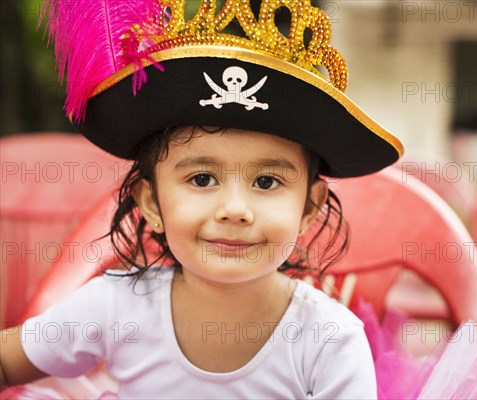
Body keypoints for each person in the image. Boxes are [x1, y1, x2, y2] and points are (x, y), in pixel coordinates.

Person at [0, 0, 405, 398]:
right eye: (202, 178)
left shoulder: (330, 341)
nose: (234, 210)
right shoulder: (114, 307)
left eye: (266, 182)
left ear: (308, 207)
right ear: (152, 203)